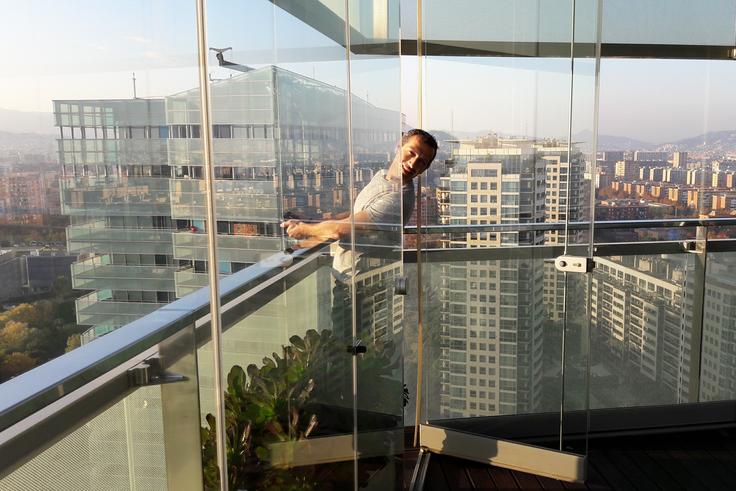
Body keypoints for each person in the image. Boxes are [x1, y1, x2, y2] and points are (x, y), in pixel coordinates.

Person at [281, 128, 438, 275]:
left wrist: (305, 229)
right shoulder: (382, 176)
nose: (413, 163)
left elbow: (341, 230)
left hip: (361, 281)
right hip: (352, 274)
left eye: (422, 162)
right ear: (398, 147)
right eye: (411, 153)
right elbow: (357, 214)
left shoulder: (398, 198)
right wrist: (314, 222)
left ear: (424, 169)